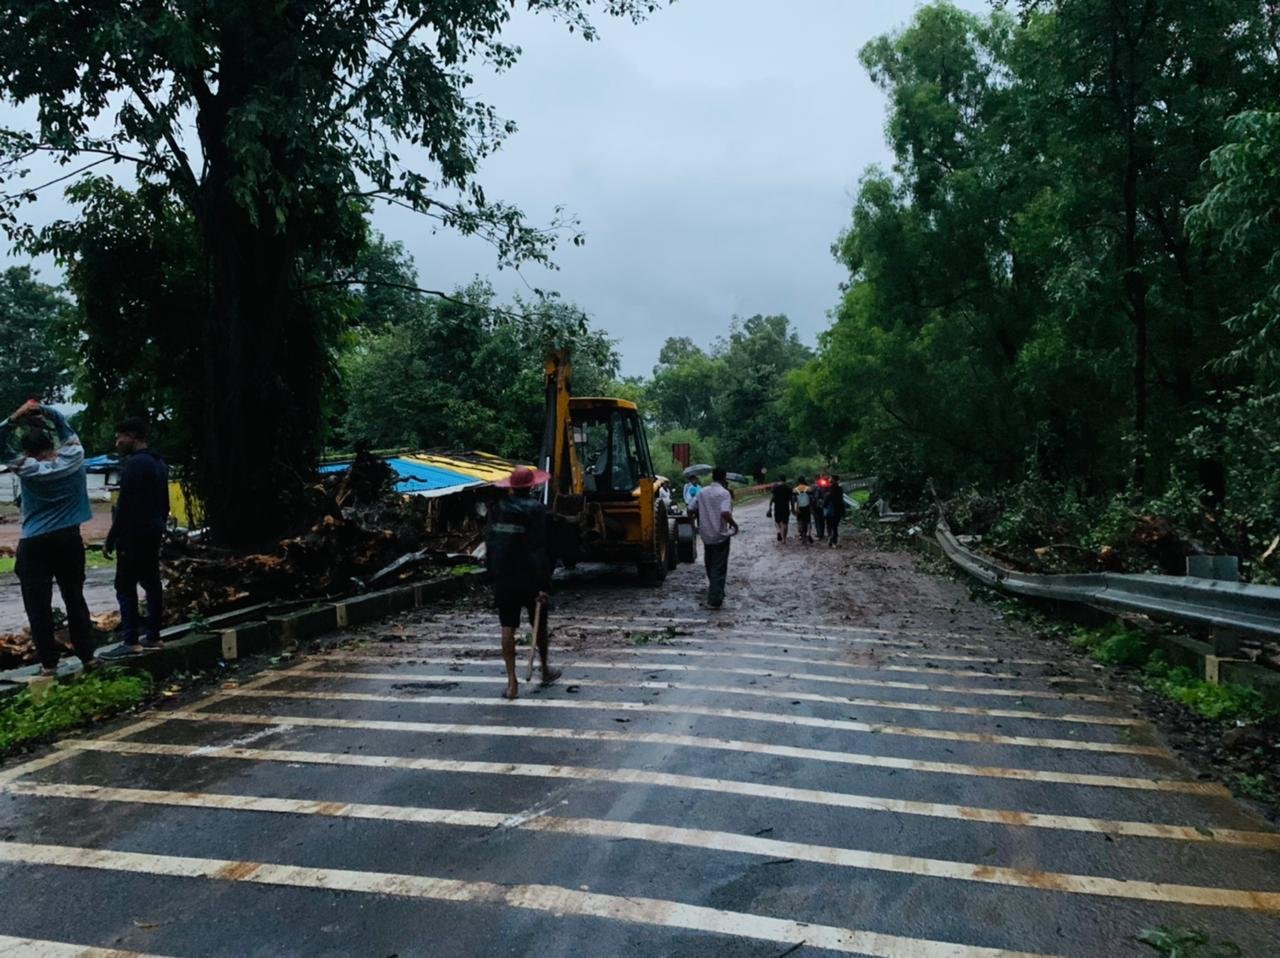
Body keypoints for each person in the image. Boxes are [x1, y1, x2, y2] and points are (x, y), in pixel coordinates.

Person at [0, 400, 98, 676]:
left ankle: (48, 664)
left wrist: (15, 417)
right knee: (75, 597)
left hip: (35, 542)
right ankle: (88, 657)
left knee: (37, 604)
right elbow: (66, 428)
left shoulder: (27, 469)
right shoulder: (74, 458)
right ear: (52, 447)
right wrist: (44, 411)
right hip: (69, 539)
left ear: (28, 452)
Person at [486, 466, 559, 700]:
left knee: (507, 626)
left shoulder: (496, 510)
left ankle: (511, 682)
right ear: (531, 487)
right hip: (531, 577)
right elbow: (541, 548)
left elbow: (491, 544)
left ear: (511, 488)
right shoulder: (538, 510)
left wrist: (492, 575)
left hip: (504, 577)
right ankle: (545, 669)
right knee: (539, 625)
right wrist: (544, 584)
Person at [100, 418, 169, 658]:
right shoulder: (158, 462)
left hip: (134, 534)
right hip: (152, 531)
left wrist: (111, 537)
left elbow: (125, 506)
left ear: (133, 436)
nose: (117, 442)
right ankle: (153, 636)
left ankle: (130, 640)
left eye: (120, 436)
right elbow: (163, 503)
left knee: (125, 585)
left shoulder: (134, 465)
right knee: (152, 584)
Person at [695, 466, 738, 609]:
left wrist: (694, 523)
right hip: (720, 535)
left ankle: (717, 590)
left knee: (709, 562)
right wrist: (734, 525)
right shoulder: (724, 493)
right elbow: (725, 513)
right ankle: (715, 600)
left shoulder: (702, 492)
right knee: (719, 567)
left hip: (706, 534)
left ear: (713, 476)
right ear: (724, 477)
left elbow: (690, 508)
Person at [767, 475, 791, 543]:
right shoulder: (788, 487)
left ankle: (778, 531)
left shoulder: (775, 487)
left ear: (779, 480)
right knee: (785, 523)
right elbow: (791, 499)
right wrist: (793, 508)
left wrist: (770, 506)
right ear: (785, 480)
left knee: (777, 521)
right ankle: (784, 539)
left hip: (777, 507)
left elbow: (772, 497)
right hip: (786, 507)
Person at [825, 474, 847, 548]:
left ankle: (830, 538)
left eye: (830, 478)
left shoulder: (829, 492)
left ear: (833, 479)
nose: (829, 479)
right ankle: (834, 542)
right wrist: (843, 513)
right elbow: (841, 501)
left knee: (829, 526)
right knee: (835, 527)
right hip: (838, 511)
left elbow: (825, 502)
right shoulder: (840, 490)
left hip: (830, 511)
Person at [793, 476, 813, 544]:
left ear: (798, 481)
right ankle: (808, 534)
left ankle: (801, 534)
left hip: (799, 507)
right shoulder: (809, 489)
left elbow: (794, 500)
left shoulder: (795, 490)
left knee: (800, 521)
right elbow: (811, 499)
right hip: (807, 507)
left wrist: (793, 509)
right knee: (808, 521)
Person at [811, 475, 827, 541]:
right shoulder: (822, 485)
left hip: (815, 506)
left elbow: (811, 497)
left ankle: (819, 534)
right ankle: (822, 534)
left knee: (817, 520)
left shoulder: (813, 486)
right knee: (822, 520)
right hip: (821, 505)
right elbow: (824, 495)